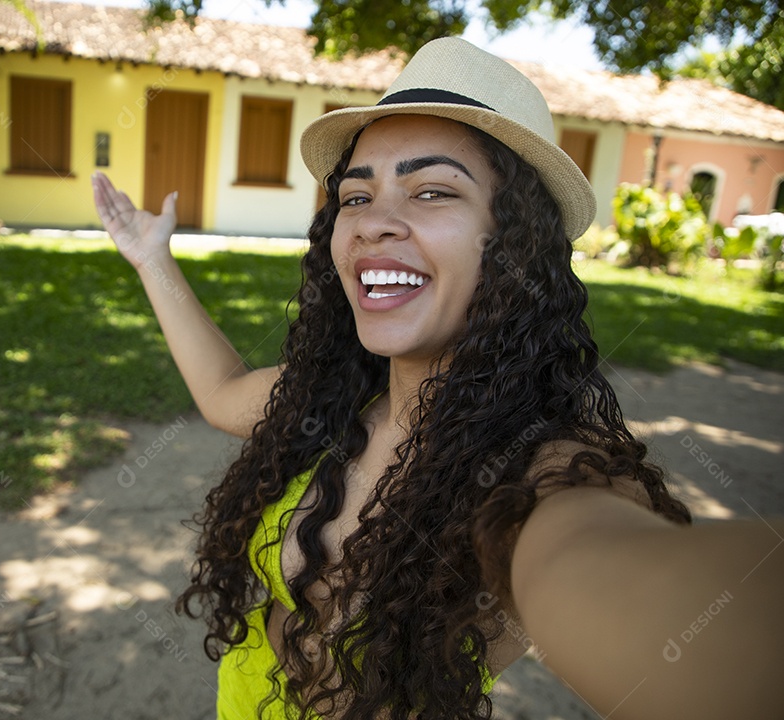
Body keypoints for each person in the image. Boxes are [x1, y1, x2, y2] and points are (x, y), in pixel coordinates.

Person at [92, 37, 783, 720]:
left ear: (513, 243)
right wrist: (154, 259)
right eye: (356, 197)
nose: (373, 224)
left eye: (431, 190)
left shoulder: (538, 473)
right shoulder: (330, 400)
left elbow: (635, 590)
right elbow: (220, 394)